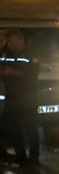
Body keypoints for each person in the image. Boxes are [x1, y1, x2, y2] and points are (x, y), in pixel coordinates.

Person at [0, 28, 40, 163]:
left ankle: (34, 155)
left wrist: (13, 73)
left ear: (20, 40)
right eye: (8, 42)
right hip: (12, 98)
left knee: (30, 127)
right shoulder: (6, 54)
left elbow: (32, 76)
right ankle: (20, 154)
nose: (9, 44)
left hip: (28, 98)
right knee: (14, 128)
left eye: (12, 41)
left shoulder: (30, 55)